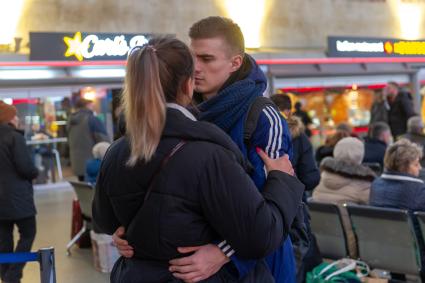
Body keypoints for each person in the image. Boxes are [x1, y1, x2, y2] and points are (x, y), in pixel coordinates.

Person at [92, 36, 304, 282]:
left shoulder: (116, 151)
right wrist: (281, 180)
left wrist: (128, 233)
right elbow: (260, 235)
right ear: (188, 85)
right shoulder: (208, 155)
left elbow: (105, 220)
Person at [271, 94, 322, 282]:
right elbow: (311, 178)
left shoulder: (260, 131)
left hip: (267, 208)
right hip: (295, 208)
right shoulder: (299, 137)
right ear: (288, 111)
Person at [312, 137, 376, 258]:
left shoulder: (321, 178)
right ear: (360, 155)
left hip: (320, 245)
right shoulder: (364, 184)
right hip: (352, 249)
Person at [369, 139, 425, 275]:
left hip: (382, 253)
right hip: (416, 255)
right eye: (416, 164)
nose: (420, 168)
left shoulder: (376, 185)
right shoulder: (419, 191)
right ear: (404, 167)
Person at [0, 101, 38, 283]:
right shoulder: (14, 137)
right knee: (28, 233)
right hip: (18, 198)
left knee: (3, 241)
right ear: (7, 118)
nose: (17, 118)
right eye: (14, 115)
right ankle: (12, 276)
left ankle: (7, 276)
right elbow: (26, 168)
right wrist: (35, 171)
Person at [67, 98, 110, 181]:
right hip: (93, 164)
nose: (93, 107)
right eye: (91, 105)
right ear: (87, 106)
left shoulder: (70, 121)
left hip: (77, 163)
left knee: (84, 189)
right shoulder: (92, 119)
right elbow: (104, 142)